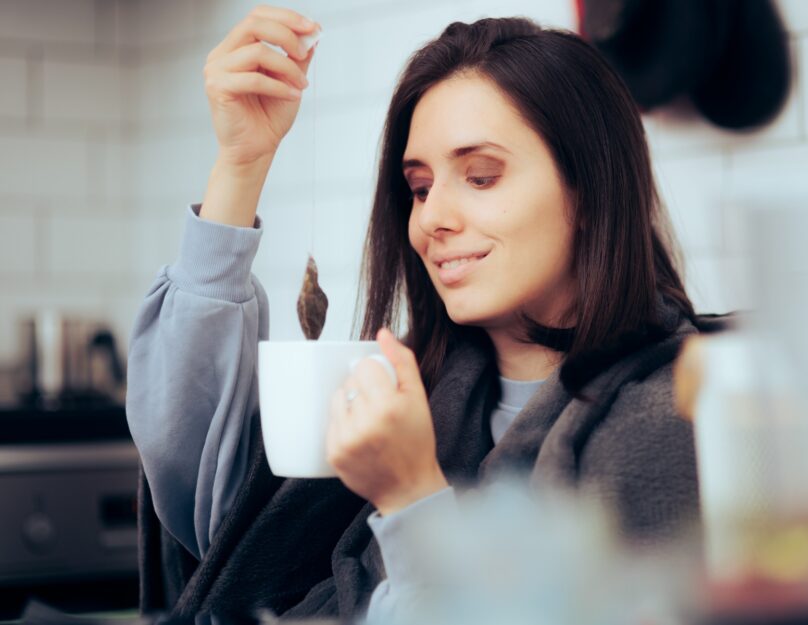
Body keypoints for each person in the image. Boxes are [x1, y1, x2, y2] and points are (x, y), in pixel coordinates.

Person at [126, 5, 700, 621]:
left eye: (480, 177)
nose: (430, 219)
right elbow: (214, 507)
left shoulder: (675, 415)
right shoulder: (413, 393)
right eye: (420, 188)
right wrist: (240, 165)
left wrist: (410, 496)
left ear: (589, 192)